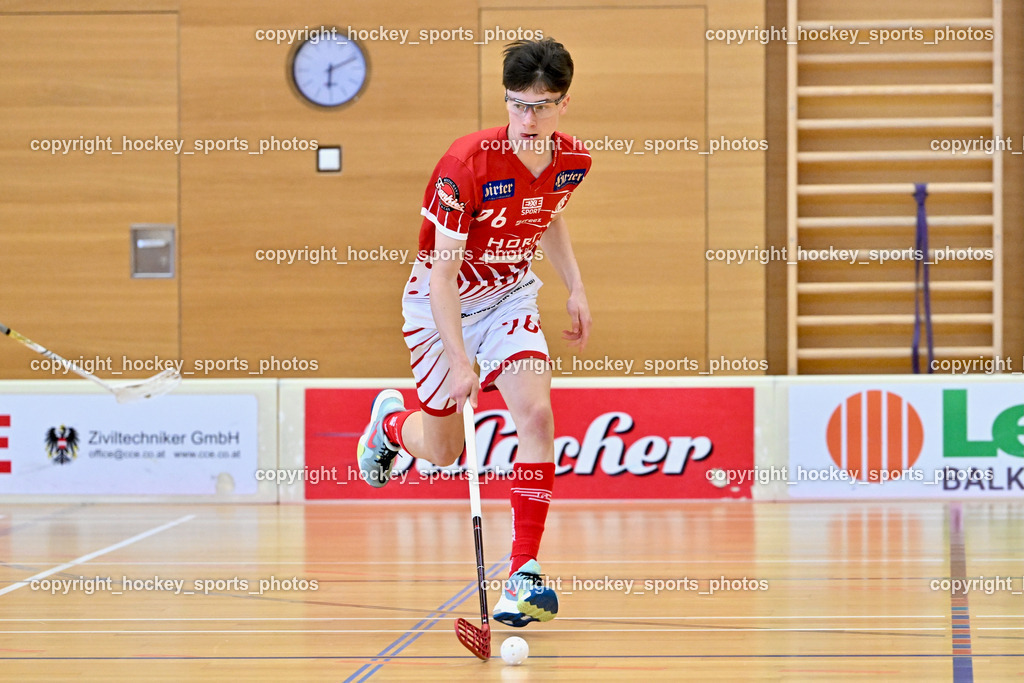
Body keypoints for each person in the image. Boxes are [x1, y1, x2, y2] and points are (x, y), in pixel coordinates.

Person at [357, 37, 591, 628]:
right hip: (444, 305)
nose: (527, 119)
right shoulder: (465, 166)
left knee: (536, 417)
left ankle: (523, 575)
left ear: (564, 103)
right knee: (444, 450)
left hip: (510, 295)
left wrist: (575, 284)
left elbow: (549, 213)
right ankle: (388, 428)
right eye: (517, 104)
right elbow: (441, 273)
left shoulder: (573, 162)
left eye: (540, 105)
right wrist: (461, 361)